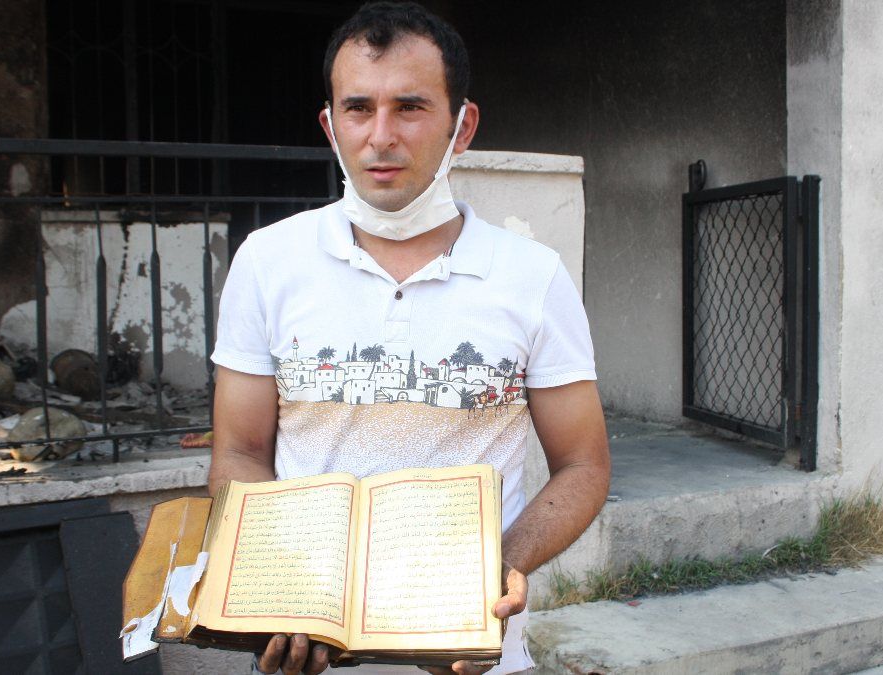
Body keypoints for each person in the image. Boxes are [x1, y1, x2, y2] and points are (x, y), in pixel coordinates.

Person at [208, 3, 610, 673]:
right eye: (358, 108)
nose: (381, 136)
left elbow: (584, 465)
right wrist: (280, 584)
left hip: (470, 648)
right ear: (331, 125)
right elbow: (239, 452)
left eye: (410, 107)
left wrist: (496, 568)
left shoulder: (532, 277)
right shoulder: (267, 262)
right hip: (311, 646)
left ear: (462, 126)